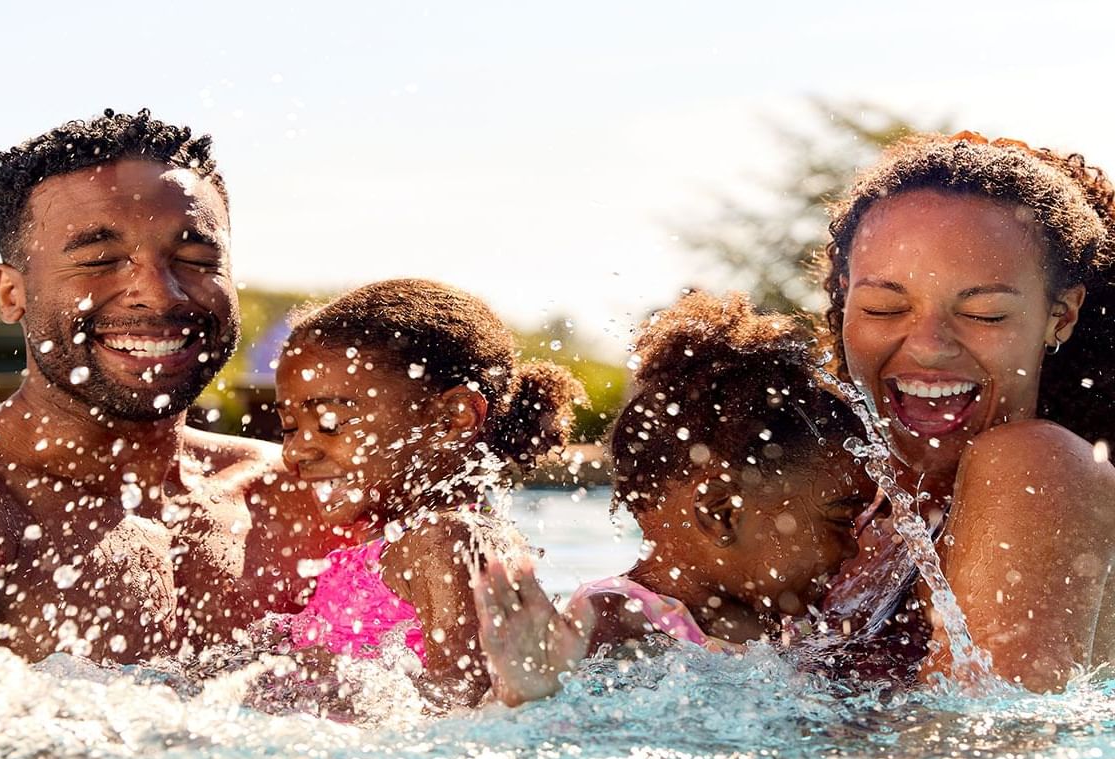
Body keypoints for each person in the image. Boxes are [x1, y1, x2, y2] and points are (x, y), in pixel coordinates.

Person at [0, 110, 326, 669]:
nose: (158, 295)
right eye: (99, 260)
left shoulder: (299, 494)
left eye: (196, 258)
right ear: (12, 294)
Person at [473, 291, 875, 705]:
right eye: (841, 520)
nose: (853, 546)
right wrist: (532, 698)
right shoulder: (616, 622)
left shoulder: (788, 622)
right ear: (721, 513)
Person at [822, 131, 1115, 691]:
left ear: (1061, 315)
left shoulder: (1037, 466)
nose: (930, 345)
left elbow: (979, 745)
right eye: (884, 307)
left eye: (984, 314)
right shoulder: (856, 503)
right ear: (844, 299)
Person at [272, 278, 584, 706]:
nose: (295, 451)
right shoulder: (412, 541)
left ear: (453, 418)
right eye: (289, 428)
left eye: (329, 423)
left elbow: (457, 706)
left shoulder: (442, 541)